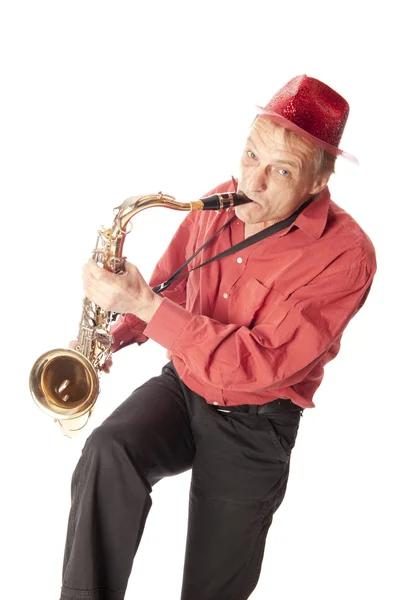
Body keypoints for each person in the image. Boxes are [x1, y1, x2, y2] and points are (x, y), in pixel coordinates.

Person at [59, 74, 377, 600]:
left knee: (210, 588)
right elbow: (174, 282)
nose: (253, 181)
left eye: (281, 170)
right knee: (108, 449)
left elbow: (259, 363)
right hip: (184, 387)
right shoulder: (220, 201)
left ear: (318, 182)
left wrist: (145, 304)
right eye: (251, 155)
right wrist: (118, 329)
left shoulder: (345, 257)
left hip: (255, 421)